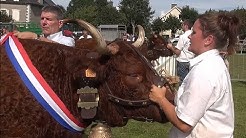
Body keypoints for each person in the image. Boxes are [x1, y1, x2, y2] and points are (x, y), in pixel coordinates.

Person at [149, 12, 239, 138]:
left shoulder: (205, 71)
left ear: (208, 40)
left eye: (194, 33)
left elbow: (184, 123)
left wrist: (160, 99)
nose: (189, 37)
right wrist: (174, 95)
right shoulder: (212, 64)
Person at [167, 20, 195, 85]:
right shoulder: (193, 35)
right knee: (190, 82)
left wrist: (171, 47)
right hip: (192, 61)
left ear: (186, 26)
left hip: (183, 61)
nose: (181, 27)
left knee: (183, 82)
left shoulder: (183, 36)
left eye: (182, 25)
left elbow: (178, 52)